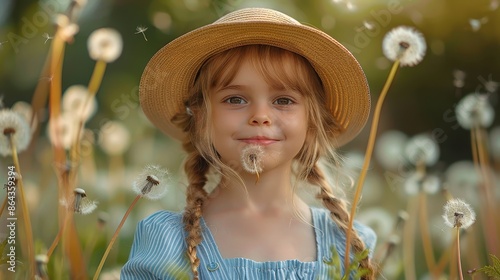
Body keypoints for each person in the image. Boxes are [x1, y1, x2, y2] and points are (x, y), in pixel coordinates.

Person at [121, 7, 376, 280]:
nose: (260, 116)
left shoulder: (350, 244)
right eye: (235, 99)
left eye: (283, 100)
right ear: (200, 117)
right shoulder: (165, 241)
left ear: (312, 122)